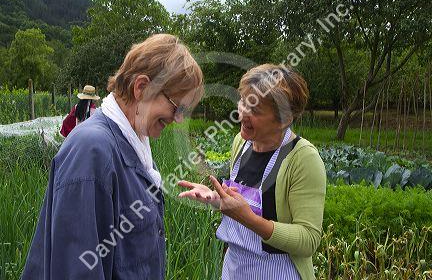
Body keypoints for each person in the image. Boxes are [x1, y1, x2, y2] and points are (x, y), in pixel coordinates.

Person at [22, 34, 204, 279]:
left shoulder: (135, 143)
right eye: (177, 107)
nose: (179, 119)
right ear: (141, 87)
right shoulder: (92, 151)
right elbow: (79, 269)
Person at [178, 64, 326, 280]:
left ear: (284, 119)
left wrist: (248, 219)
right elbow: (239, 203)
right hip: (235, 268)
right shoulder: (242, 142)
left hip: (277, 272)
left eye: (255, 110)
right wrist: (216, 199)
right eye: (242, 102)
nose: (242, 114)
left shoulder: (303, 159)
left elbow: (308, 240)